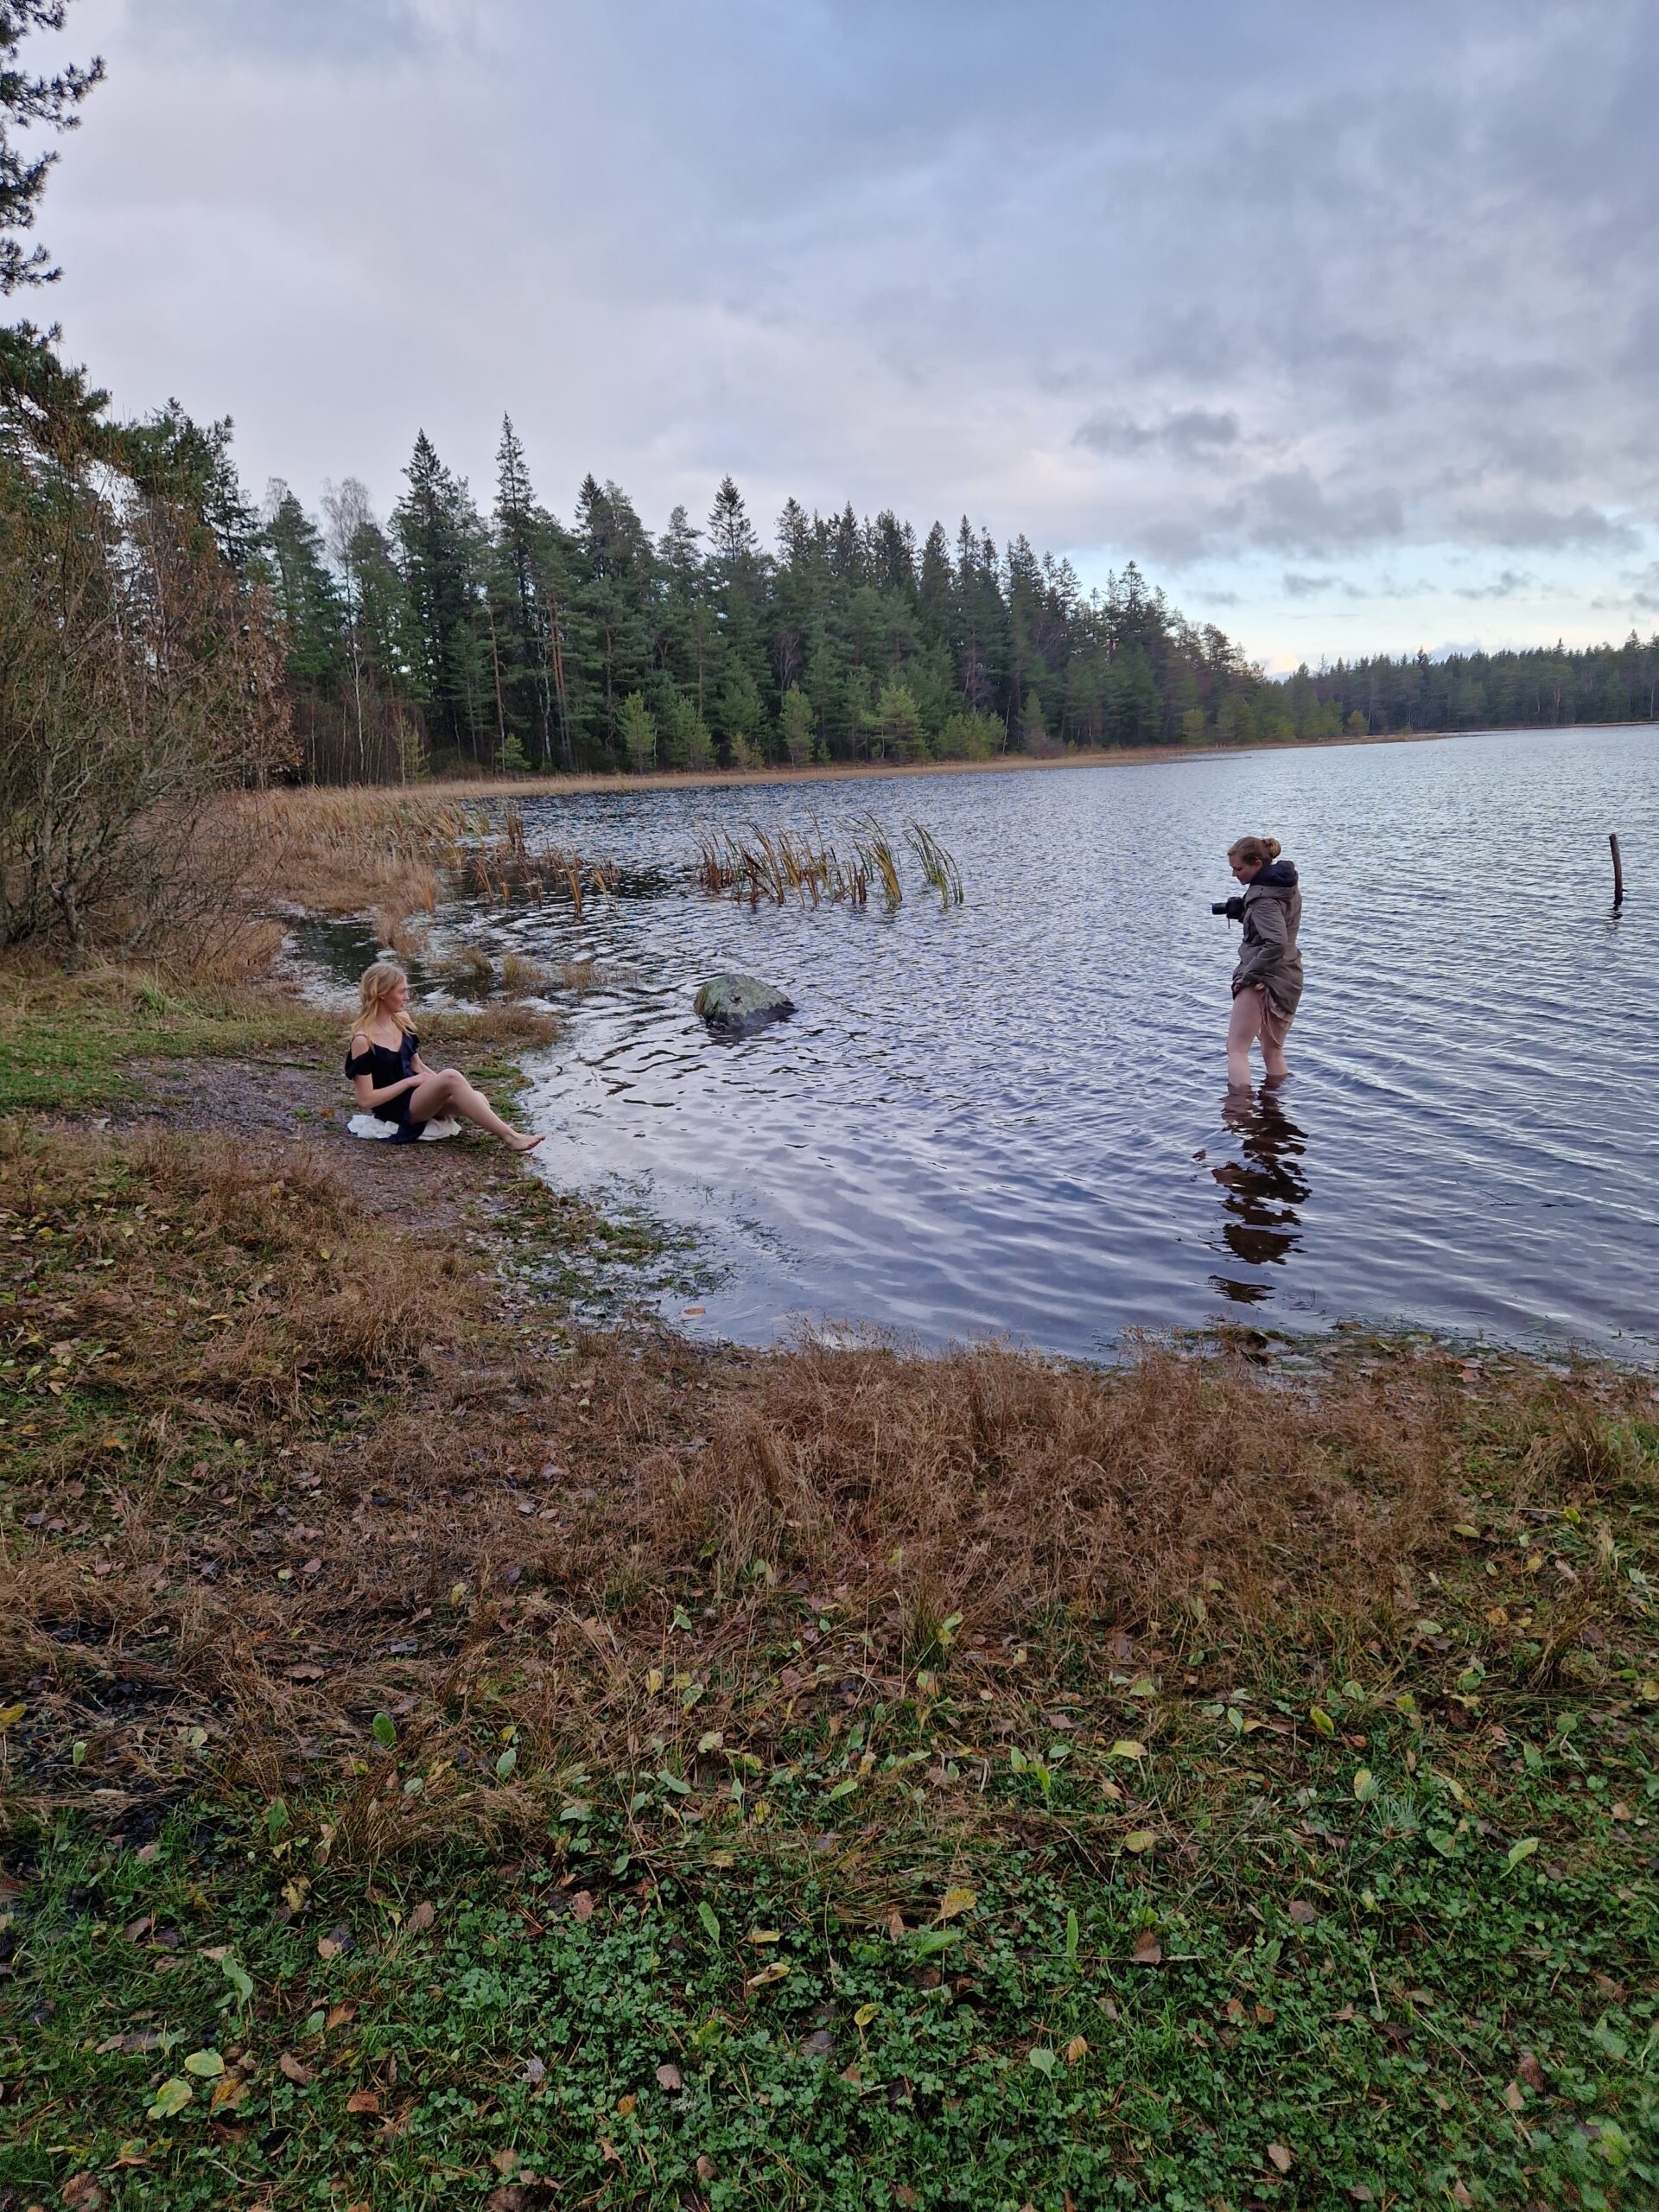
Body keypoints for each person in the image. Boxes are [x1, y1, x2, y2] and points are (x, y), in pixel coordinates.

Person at [346, 961, 543, 1152]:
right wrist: (412, 1082)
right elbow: (366, 1100)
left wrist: (446, 1087)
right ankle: (511, 1138)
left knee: (478, 1099)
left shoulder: (402, 1021)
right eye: (402, 992)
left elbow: (418, 1065)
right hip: (394, 1108)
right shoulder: (363, 1039)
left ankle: (497, 1126)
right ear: (382, 995)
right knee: (451, 1076)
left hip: (417, 1096)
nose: (407, 997)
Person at [1223, 835, 1303, 1091]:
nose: (1235, 875)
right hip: (1288, 976)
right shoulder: (1284, 886)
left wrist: (1248, 976)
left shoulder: (1264, 900)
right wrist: (1246, 913)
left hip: (1263, 978)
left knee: (1236, 1050)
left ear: (1257, 864)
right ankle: (1274, 1111)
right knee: (1273, 1052)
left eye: (1239, 869)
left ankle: (1239, 1113)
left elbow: (1275, 942)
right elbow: (1281, 928)